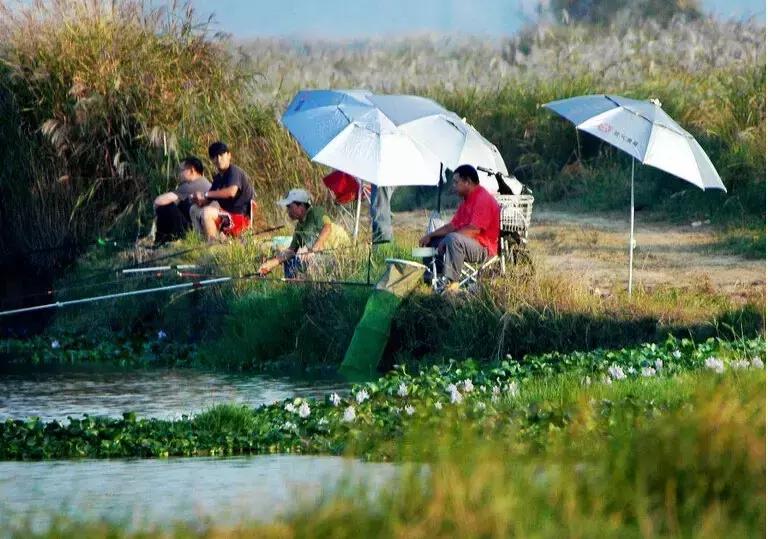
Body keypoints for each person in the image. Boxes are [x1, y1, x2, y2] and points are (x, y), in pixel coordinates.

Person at [418, 164, 500, 293]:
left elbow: (474, 230)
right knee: (430, 243)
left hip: (483, 248)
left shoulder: (482, 198)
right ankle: (430, 279)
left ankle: (452, 285)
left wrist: (447, 239)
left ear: (467, 182)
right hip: (465, 243)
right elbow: (452, 226)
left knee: (452, 239)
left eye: (456, 182)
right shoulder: (466, 201)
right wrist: (431, 235)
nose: (454, 186)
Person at [258, 188, 349, 278]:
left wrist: (313, 250)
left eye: (289, 207)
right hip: (322, 255)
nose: (288, 211)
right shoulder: (299, 226)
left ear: (301, 206)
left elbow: (327, 227)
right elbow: (291, 251)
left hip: (339, 253)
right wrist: (270, 264)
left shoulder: (316, 212)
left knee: (310, 261)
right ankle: (294, 288)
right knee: (290, 260)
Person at [190, 141, 256, 242]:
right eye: (215, 157)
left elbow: (231, 192)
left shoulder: (234, 171)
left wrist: (206, 194)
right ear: (212, 160)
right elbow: (207, 200)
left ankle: (213, 246)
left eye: (221, 155)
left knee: (207, 212)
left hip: (240, 218)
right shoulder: (218, 178)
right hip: (227, 216)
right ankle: (201, 242)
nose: (219, 159)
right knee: (194, 209)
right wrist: (196, 198)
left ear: (229, 155)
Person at [152, 157, 211, 244]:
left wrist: (155, 210)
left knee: (164, 207)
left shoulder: (192, 185)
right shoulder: (203, 182)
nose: (179, 173)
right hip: (198, 224)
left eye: (181, 170)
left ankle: (162, 242)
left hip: (196, 228)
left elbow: (159, 201)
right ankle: (164, 240)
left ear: (192, 170)